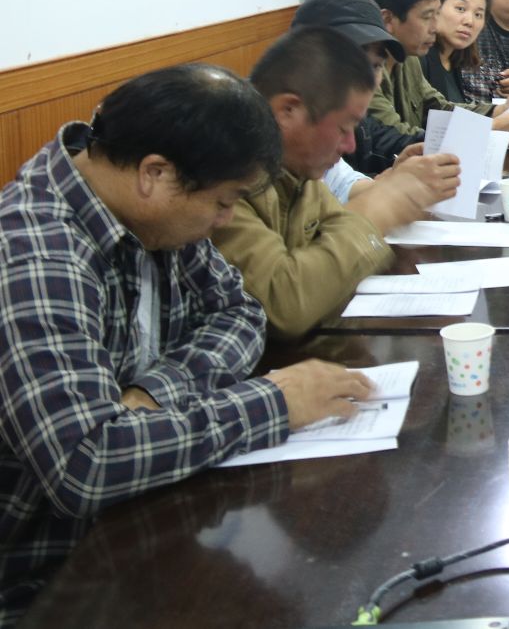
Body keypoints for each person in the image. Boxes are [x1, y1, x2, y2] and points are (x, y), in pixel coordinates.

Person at [0, 65, 376, 613]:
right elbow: (85, 463)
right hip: (41, 580)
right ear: (155, 173)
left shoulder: (154, 211)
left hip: (136, 521)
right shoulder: (36, 255)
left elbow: (240, 312)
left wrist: (154, 393)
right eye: (224, 202)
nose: (225, 220)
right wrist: (274, 403)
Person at [212, 29, 442, 339]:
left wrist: (384, 205)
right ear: (287, 111)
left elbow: (336, 233)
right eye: (344, 128)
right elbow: (283, 307)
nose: (349, 146)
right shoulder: (227, 179)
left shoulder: (299, 170)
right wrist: (376, 213)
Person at [290, 0, 460, 203]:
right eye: (351, 62)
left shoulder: (349, 117)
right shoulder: (266, 133)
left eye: (376, 65)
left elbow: (343, 183)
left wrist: (394, 181)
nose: (366, 79)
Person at [362, 0, 509, 142]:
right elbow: (395, 137)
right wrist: (490, 129)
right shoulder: (362, 68)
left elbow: (438, 109)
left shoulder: (409, 58)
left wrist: (501, 110)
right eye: (427, 17)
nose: (435, 27)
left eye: (437, 15)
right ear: (388, 19)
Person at [422, 0, 490, 104]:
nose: (469, 21)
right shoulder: (418, 59)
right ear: (437, 8)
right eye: (460, 9)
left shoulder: (454, 62)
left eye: (478, 15)